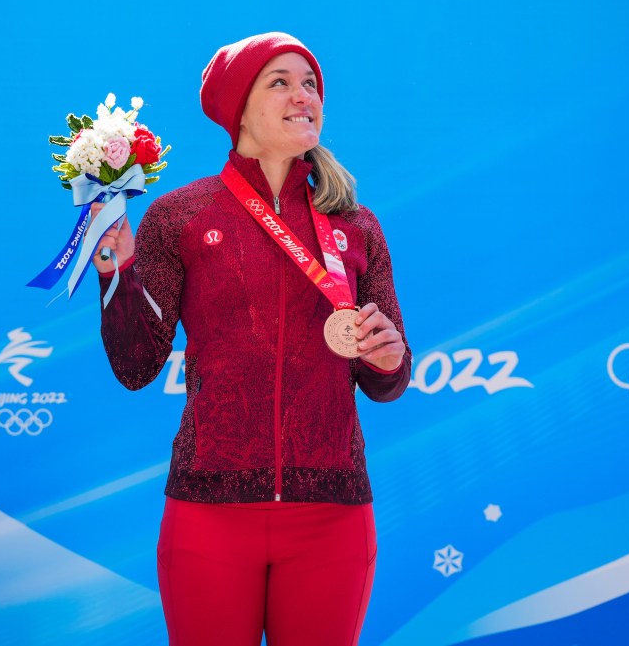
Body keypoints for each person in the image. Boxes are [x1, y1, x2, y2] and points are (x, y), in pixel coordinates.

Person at [90, 32, 411, 646]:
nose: (304, 95)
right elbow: (136, 365)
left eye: (310, 84)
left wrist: (388, 358)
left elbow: (387, 381)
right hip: (210, 513)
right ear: (240, 107)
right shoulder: (180, 216)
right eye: (281, 82)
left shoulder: (356, 226)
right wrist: (116, 274)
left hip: (332, 512)